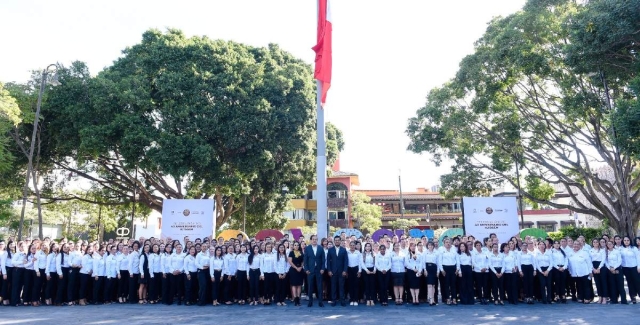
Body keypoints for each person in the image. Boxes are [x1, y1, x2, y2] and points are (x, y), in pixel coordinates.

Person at [303, 235, 325, 307]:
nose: (314, 240)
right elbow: (305, 260)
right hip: (310, 270)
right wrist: (306, 269)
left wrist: (322, 268)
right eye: (313, 239)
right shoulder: (307, 248)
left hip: (319, 270)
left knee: (320, 286)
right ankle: (310, 301)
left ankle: (320, 302)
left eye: (316, 239)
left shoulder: (321, 248)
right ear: (311, 240)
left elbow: (323, 260)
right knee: (310, 286)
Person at [327, 236, 347, 306]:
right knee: (333, 286)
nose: (337, 241)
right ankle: (334, 300)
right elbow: (328, 262)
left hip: (341, 271)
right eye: (336, 240)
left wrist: (345, 270)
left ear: (340, 241)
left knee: (341, 287)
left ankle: (342, 300)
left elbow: (345, 261)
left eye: (338, 240)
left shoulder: (344, 250)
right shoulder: (330, 250)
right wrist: (329, 270)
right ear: (334, 241)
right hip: (333, 271)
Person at [620, 236, 640, 304]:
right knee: (630, 283)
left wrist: (639, 267)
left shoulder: (634, 248)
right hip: (625, 268)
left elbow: (638, 257)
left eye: (627, 240)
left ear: (630, 241)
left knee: (637, 282)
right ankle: (633, 297)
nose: (626, 241)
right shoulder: (621, 249)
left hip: (634, 267)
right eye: (625, 240)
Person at [439, 238, 457, 305]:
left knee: (453, 284)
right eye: (446, 242)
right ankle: (448, 299)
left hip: (453, 268)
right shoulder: (441, 250)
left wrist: (457, 269)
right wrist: (442, 269)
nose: (448, 243)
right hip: (445, 268)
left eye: (449, 242)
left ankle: (454, 298)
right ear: (444, 243)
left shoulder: (454, 249)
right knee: (446, 285)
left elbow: (457, 258)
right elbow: (440, 260)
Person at [589, 238, 608, 304]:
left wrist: (599, 268)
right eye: (594, 242)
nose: (595, 243)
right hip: (593, 266)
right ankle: (600, 297)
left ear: (599, 243)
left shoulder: (602, 250)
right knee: (597, 283)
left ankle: (604, 297)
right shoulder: (590, 250)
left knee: (603, 282)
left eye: (597, 242)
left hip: (601, 267)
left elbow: (603, 260)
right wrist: (593, 268)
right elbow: (589, 260)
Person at [288, 241, 304, 306]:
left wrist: (301, 267)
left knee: (299, 285)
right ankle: (295, 299)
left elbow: (303, 260)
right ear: (293, 246)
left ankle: (298, 298)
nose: (296, 246)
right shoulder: (291, 253)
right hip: (293, 270)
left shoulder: (301, 252)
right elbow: (290, 261)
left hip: (300, 270)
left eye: (297, 245)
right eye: (295, 245)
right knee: (294, 285)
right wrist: (296, 268)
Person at [346, 241, 362, 306]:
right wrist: (346, 271)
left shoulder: (358, 252)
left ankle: (355, 299)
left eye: (353, 245)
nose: (352, 246)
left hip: (356, 269)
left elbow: (360, 262)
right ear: (349, 246)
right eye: (351, 245)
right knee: (350, 285)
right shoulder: (347, 252)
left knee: (356, 285)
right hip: (349, 269)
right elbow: (346, 262)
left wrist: (359, 271)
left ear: (355, 246)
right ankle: (351, 299)